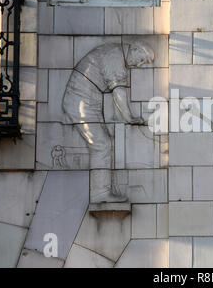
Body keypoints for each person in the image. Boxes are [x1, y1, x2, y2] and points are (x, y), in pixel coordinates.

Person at [62, 39, 154, 203]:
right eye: (141, 60)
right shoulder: (114, 56)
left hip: (88, 100)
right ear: (133, 48)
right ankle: (99, 194)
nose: (139, 65)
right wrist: (129, 118)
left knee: (103, 143)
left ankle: (102, 190)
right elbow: (118, 91)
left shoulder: (114, 53)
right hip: (81, 100)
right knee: (102, 145)